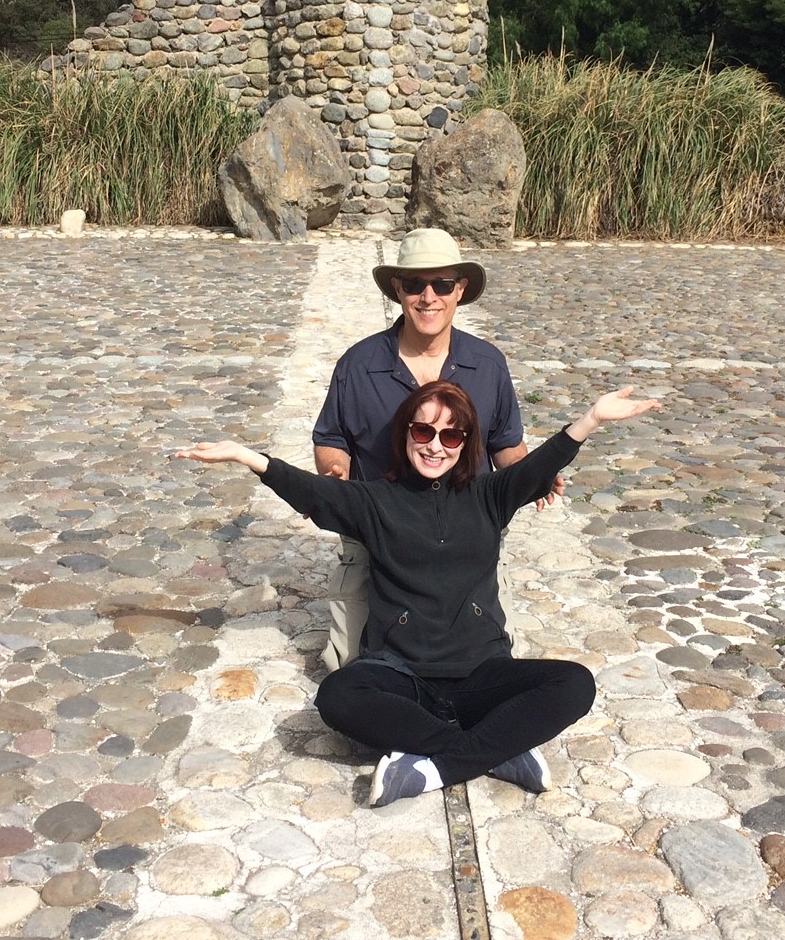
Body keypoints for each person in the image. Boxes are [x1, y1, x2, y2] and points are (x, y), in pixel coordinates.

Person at [176, 379, 660, 807]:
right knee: (338, 696)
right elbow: (312, 492)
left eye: (450, 435)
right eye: (423, 431)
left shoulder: (489, 496)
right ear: (406, 433)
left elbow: (538, 468)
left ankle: (433, 767)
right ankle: (497, 751)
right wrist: (246, 456)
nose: (435, 446)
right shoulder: (374, 501)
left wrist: (592, 419)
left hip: (481, 673)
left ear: (465, 442)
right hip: (400, 674)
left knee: (574, 683)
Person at [312, 228, 562, 672]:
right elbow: (331, 438)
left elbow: (507, 444)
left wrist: (530, 475)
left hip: (466, 533)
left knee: (481, 663)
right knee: (349, 668)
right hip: (381, 532)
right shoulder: (359, 363)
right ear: (398, 289)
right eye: (414, 285)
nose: (428, 297)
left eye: (442, 285)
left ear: (460, 290)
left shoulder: (488, 365)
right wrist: (335, 473)